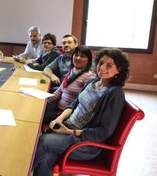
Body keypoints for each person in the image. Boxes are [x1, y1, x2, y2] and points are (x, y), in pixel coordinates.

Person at [32, 48, 130, 176]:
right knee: (45, 158)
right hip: (68, 126)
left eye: (109, 65)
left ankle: (19, 172)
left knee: (43, 141)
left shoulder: (115, 93)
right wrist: (59, 119)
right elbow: (74, 104)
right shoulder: (92, 81)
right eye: (101, 63)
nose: (102, 67)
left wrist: (68, 132)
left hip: (85, 143)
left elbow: (104, 132)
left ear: (119, 70)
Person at [42, 45, 94, 124]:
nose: (78, 58)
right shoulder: (73, 70)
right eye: (76, 55)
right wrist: (47, 100)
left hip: (66, 113)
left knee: (41, 116)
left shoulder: (88, 77)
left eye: (82, 56)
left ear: (88, 61)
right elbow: (60, 90)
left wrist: (62, 115)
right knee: (38, 108)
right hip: (58, 105)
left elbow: (82, 103)